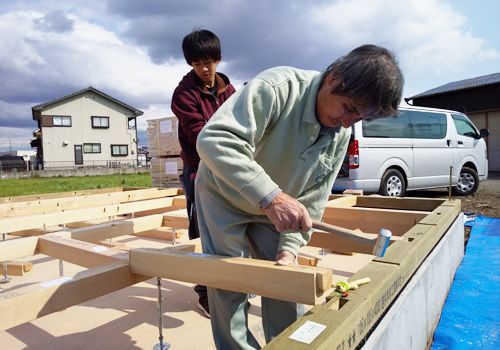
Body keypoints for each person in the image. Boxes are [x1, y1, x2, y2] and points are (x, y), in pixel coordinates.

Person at [195, 44, 404, 349]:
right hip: (223, 195)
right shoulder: (278, 88)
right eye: (348, 108)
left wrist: (289, 250)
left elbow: (313, 199)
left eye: (358, 118)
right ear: (333, 79)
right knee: (230, 283)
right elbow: (215, 139)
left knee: (286, 284)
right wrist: (271, 197)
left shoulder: (340, 133)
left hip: (277, 206)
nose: (348, 122)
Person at [171, 29, 236, 318]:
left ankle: (231, 281)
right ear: (190, 65)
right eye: (198, 64)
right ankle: (205, 294)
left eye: (209, 62)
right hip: (199, 169)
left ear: (219, 59)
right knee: (202, 230)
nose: (205, 69)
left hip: (229, 166)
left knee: (232, 225)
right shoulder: (184, 95)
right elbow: (200, 135)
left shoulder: (230, 92)